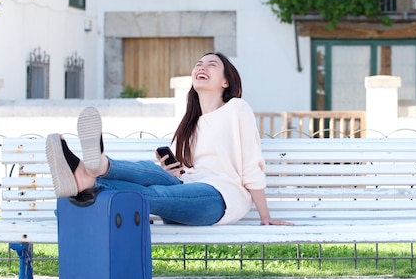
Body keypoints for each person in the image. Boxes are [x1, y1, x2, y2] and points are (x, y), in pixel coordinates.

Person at [46, 52, 293, 226]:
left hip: (220, 199)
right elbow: (180, 175)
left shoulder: (237, 109)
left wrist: (264, 215)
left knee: (157, 193)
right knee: (152, 173)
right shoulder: (188, 124)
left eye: (212, 65)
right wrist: (171, 170)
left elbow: (251, 164)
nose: (201, 67)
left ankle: (88, 180)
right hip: (182, 194)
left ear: (226, 81)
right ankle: (97, 168)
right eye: (198, 64)